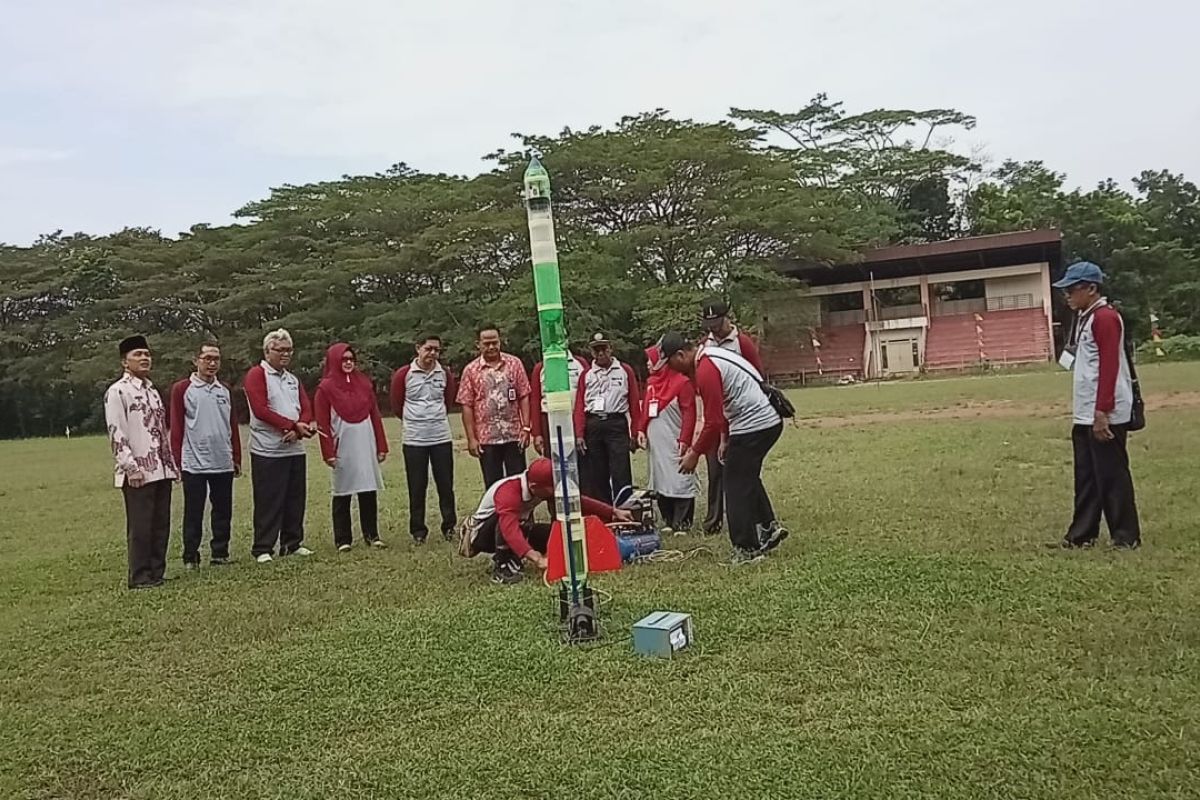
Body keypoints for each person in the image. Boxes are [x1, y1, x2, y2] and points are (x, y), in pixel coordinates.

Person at [662, 331, 788, 563]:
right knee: (745, 475)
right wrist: (724, 439)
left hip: (755, 424)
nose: (671, 370)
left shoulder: (706, 369)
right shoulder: (709, 356)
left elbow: (713, 421)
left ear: (681, 355)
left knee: (735, 484)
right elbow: (722, 412)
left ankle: (746, 549)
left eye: (670, 363)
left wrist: (694, 453)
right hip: (762, 421)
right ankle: (768, 527)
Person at [1051, 261, 1142, 550]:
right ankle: (1081, 535)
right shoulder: (1085, 317)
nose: (1066, 295)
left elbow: (1109, 366)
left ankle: (1126, 536)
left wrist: (1102, 411)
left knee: (1112, 475)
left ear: (1091, 288)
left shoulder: (1105, 318)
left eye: (1072, 288)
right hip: (1086, 412)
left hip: (1105, 413)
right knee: (1087, 476)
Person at [458, 457, 632, 584]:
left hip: (516, 527)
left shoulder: (539, 486)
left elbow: (575, 500)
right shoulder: (508, 491)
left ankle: (514, 556)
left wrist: (613, 512)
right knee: (504, 520)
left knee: (554, 534)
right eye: (550, 489)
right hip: (482, 535)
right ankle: (502, 565)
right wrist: (536, 558)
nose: (554, 492)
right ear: (534, 487)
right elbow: (509, 529)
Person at [104, 335, 179, 589]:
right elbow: (117, 432)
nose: (145, 358)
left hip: (161, 467)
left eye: (147, 354)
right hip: (138, 470)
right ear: (125, 362)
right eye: (138, 355)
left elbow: (161, 430)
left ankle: (157, 572)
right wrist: (130, 467)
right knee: (141, 525)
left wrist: (171, 465)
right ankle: (139, 576)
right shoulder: (118, 392)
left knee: (160, 524)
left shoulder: (152, 391)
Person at [244, 328, 316, 563]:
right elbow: (261, 409)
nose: (285, 355)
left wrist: (299, 426)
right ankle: (263, 547)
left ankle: (292, 542)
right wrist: (291, 426)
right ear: (267, 351)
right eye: (280, 350)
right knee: (269, 499)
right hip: (268, 448)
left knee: (295, 497)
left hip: (294, 447)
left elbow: (305, 406)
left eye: (289, 350)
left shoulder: (291, 378)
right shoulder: (257, 374)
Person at [169, 341, 242, 569]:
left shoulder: (225, 390)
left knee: (223, 510)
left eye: (216, 359)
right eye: (207, 358)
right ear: (196, 360)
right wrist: (177, 460)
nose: (212, 363)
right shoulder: (183, 389)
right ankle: (191, 556)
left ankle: (220, 553)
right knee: (194, 511)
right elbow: (177, 426)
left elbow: (232, 426)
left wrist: (236, 457)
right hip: (194, 462)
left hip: (222, 460)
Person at [698, 298, 765, 536]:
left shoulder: (742, 343)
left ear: (727, 318)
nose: (714, 329)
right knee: (715, 468)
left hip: (741, 417)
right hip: (718, 417)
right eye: (709, 324)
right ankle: (714, 518)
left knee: (743, 469)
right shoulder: (705, 346)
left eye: (717, 322)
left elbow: (758, 375)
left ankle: (752, 517)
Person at [315, 343, 389, 552]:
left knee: (368, 487)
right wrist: (327, 451)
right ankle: (343, 539)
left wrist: (381, 445)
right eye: (344, 359)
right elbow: (322, 423)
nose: (348, 362)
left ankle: (372, 535)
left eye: (351, 359)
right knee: (342, 490)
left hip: (365, 441)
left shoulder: (364, 383)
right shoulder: (325, 388)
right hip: (342, 443)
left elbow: (375, 414)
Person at [390, 334, 458, 544]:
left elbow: (448, 401)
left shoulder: (444, 373)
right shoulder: (404, 374)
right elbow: (396, 404)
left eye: (437, 350)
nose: (432, 354)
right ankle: (418, 530)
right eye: (428, 349)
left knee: (445, 485)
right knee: (417, 486)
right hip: (414, 439)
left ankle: (449, 526)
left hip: (440, 436)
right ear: (418, 348)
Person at [456, 324, 532, 488]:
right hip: (487, 438)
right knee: (493, 484)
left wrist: (526, 428)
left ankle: (523, 514)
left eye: (494, 342)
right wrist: (471, 439)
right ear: (478, 344)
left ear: (500, 341)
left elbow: (524, 395)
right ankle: (496, 514)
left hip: (514, 435)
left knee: (519, 482)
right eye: (486, 343)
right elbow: (466, 405)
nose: (491, 347)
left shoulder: (514, 364)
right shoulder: (471, 370)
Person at [636, 341, 699, 532]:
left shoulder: (682, 382)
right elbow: (646, 408)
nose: (648, 363)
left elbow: (689, 413)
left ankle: (683, 521)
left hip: (674, 438)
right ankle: (668, 519)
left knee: (679, 476)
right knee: (661, 477)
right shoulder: (652, 384)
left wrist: (685, 440)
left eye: (651, 360)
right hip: (657, 443)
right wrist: (641, 429)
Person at [573, 333, 642, 505]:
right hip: (594, 424)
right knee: (597, 473)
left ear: (610, 348)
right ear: (591, 352)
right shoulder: (586, 374)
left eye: (603, 348)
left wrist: (635, 432)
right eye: (596, 350)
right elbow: (580, 406)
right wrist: (579, 433)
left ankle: (624, 509)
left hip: (616, 423)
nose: (601, 353)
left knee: (621, 471)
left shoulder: (624, 370)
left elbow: (634, 403)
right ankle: (604, 512)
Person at [529, 349, 589, 457]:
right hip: (549, 420)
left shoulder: (580, 363)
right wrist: (537, 433)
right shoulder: (540, 367)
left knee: (581, 459)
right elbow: (535, 401)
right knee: (553, 460)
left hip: (575, 419)